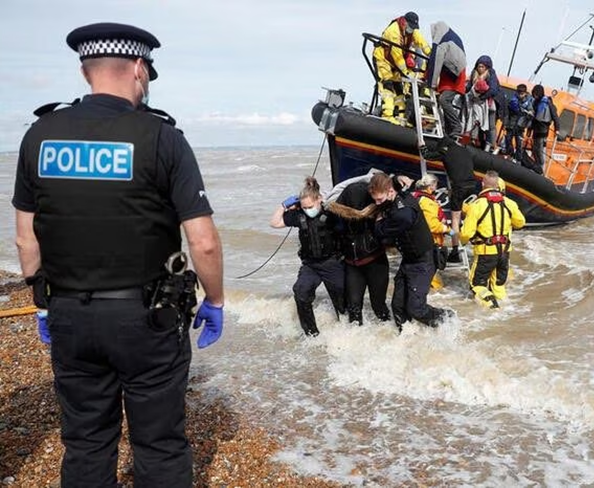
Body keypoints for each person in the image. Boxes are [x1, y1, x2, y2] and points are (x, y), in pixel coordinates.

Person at [12, 23, 224, 487]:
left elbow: (26, 238)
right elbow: (202, 239)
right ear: (138, 68)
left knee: (86, 442)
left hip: (68, 313)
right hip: (146, 320)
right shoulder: (162, 137)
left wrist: (43, 303)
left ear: (86, 71)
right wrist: (215, 301)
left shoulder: (40, 136)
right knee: (159, 443)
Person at [368, 173, 451, 331]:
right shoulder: (399, 195)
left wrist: (378, 220)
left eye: (379, 200)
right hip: (409, 260)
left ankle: (447, 319)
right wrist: (397, 177)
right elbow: (387, 179)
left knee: (416, 308)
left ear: (390, 192)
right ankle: (406, 338)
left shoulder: (403, 213)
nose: (377, 204)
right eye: (375, 200)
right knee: (398, 306)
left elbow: (380, 232)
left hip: (423, 262)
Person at [270, 177, 345, 337]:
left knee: (341, 300)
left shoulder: (330, 213)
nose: (307, 210)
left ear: (319, 200)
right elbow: (275, 223)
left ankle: (346, 332)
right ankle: (312, 334)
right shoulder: (299, 216)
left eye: (310, 206)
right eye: (304, 207)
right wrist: (283, 205)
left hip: (332, 263)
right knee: (301, 292)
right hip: (311, 265)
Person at [329, 178, 391, 326]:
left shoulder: (380, 210)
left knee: (378, 306)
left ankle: (391, 336)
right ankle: (356, 344)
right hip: (352, 265)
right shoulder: (338, 216)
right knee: (354, 309)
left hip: (376, 263)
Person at [460, 171, 525, 308]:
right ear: (497, 185)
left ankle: (492, 310)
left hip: (485, 253)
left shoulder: (476, 205)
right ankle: (506, 309)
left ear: (483, 184)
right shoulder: (509, 203)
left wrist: (461, 242)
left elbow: (466, 233)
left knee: (477, 285)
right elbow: (520, 223)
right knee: (498, 285)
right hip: (504, 252)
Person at [372, 11, 431, 124]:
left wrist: (431, 54)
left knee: (399, 91)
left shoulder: (412, 30)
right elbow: (397, 55)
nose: (412, 30)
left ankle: (401, 117)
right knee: (387, 87)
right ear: (404, 22)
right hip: (383, 59)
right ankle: (387, 116)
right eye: (411, 27)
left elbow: (422, 42)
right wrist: (406, 73)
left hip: (395, 64)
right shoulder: (394, 31)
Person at [426, 21, 467, 139]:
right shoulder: (450, 36)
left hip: (454, 77)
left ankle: (456, 127)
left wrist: (431, 84)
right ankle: (449, 131)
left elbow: (435, 62)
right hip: (449, 74)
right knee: (442, 101)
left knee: (444, 100)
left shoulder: (440, 42)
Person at [412, 173, 454, 290]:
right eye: (435, 185)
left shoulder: (418, 198)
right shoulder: (427, 202)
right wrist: (450, 231)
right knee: (432, 278)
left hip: (421, 241)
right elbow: (433, 226)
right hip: (430, 243)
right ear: (431, 186)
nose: (436, 187)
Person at [465, 55, 500, 150]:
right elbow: (469, 87)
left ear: (487, 67)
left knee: (490, 126)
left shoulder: (491, 74)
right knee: (476, 121)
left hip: (489, 104)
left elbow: (493, 90)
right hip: (477, 103)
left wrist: (482, 97)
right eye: (479, 66)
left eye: (482, 67)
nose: (480, 69)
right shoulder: (474, 74)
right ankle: (474, 141)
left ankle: (492, 145)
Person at [528, 84, 561, 172]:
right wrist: (529, 129)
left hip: (543, 129)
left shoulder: (548, 104)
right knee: (534, 149)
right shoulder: (535, 102)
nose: (535, 96)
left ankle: (541, 167)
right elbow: (534, 116)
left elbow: (555, 117)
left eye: (536, 94)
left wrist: (557, 129)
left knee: (539, 149)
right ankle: (537, 165)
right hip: (535, 128)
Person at [505, 84, 534, 159]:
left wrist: (530, 112)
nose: (520, 95)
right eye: (519, 93)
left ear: (525, 93)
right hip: (511, 123)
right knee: (508, 138)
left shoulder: (529, 101)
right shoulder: (513, 99)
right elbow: (511, 108)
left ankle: (518, 158)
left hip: (520, 125)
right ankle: (510, 154)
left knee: (519, 143)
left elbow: (531, 110)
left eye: (522, 94)